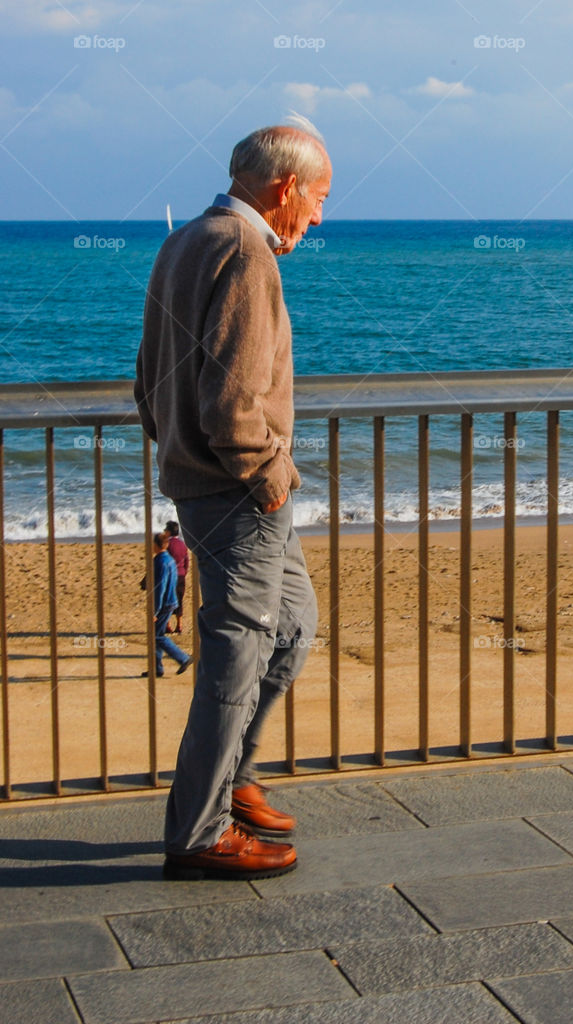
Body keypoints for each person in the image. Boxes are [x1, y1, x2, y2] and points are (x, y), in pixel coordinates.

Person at [134, 116, 332, 881]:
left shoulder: (185, 239)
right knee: (235, 655)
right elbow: (231, 405)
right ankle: (199, 833)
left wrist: (173, 444)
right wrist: (272, 481)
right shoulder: (247, 251)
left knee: (293, 627)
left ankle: (232, 778)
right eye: (317, 198)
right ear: (285, 187)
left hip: (205, 483)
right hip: (237, 491)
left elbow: (146, 372)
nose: (318, 216)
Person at [143, 532, 193, 678]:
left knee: (157, 637)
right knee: (157, 634)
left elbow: (160, 587)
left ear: (157, 545)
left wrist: (155, 611)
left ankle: (182, 658)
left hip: (165, 603)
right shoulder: (169, 559)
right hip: (171, 601)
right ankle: (156, 668)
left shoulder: (160, 561)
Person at [163, 520, 189, 635]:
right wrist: (184, 572)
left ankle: (167, 625)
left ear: (168, 532)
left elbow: (164, 561)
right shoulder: (183, 544)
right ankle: (179, 624)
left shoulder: (167, 544)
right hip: (181, 575)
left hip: (170, 576)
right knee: (179, 600)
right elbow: (186, 561)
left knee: (167, 600)